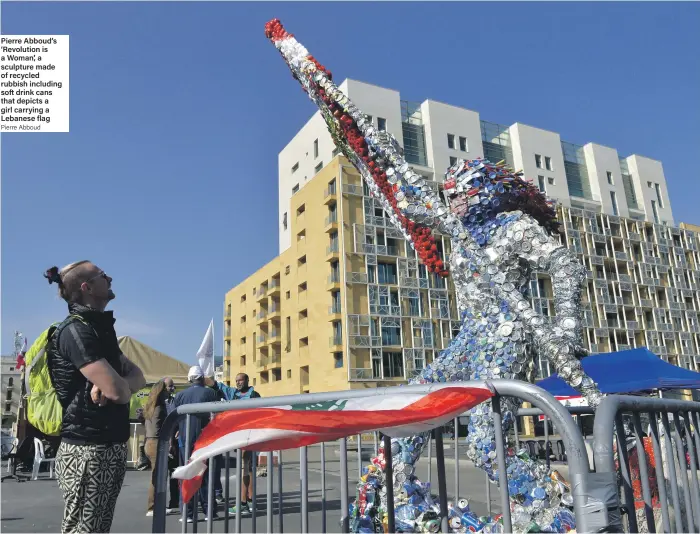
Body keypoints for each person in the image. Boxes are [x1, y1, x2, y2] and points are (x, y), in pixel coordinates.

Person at [44, 261, 146, 534]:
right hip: (87, 450)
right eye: (103, 275)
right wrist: (117, 385)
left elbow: (138, 377)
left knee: (97, 528)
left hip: (107, 445)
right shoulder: (76, 331)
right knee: (83, 530)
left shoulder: (100, 329)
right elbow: (118, 393)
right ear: (87, 287)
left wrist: (117, 383)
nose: (110, 278)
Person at [206, 373, 260, 517]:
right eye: (236, 381)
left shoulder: (254, 395)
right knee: (248, 468)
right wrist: (203, 375)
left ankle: (243, 503)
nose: (238, 382)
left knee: (246, 468)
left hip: (250, 435)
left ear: (247, 380)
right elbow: (216, 385)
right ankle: (249, 501)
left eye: (240, 380)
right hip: (240, 435)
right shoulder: (233, 393)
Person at [173, 366, 219, 523]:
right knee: (206, 476)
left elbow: (173, 419)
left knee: (187, 475)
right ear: (201, 378)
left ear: (189, 378)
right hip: (206, 441)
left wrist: (178, 431)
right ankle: (210, 511)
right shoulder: (211, 393)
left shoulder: (180, 396)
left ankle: (188, 513)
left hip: (185, 441)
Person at [143, 378, 179, 517]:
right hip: (156, 443)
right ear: (162, 390)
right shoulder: (160, 407)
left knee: (155, 477)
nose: (171, 389)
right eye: (169, 387)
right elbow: (165, 427)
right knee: (158, 478)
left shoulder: (150, 405)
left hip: (149, 442)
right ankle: (153, 508)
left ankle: (154, 506)